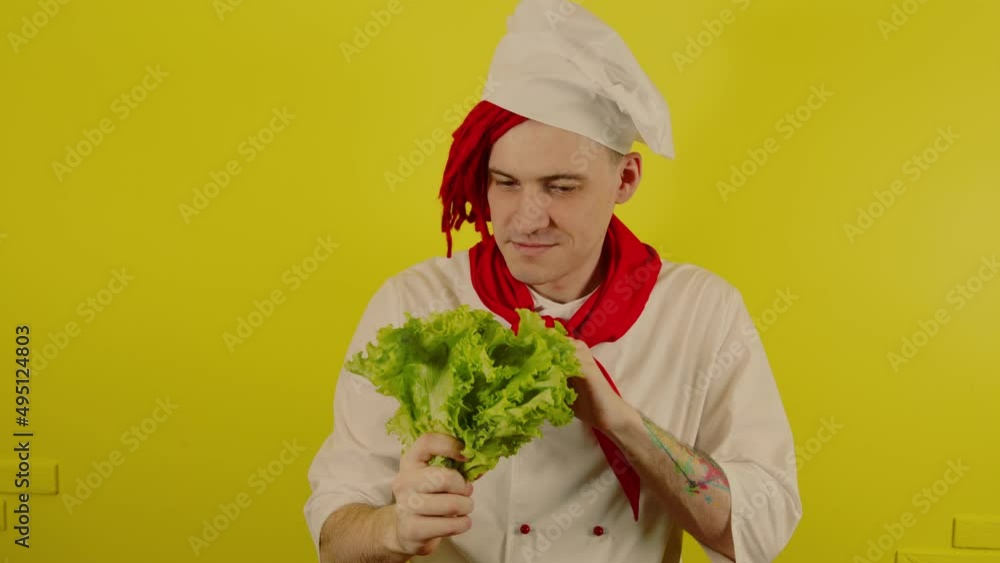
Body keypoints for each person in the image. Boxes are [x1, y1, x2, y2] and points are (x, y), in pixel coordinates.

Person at [305, 0, 802, 561]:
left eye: (561, 186)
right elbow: (334, 537)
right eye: (506, 183)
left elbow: (758, 529)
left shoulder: (700, 310)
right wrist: (392, 529)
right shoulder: (414, 303)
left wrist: (622, 422)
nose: (526, 218)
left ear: (626, 178)